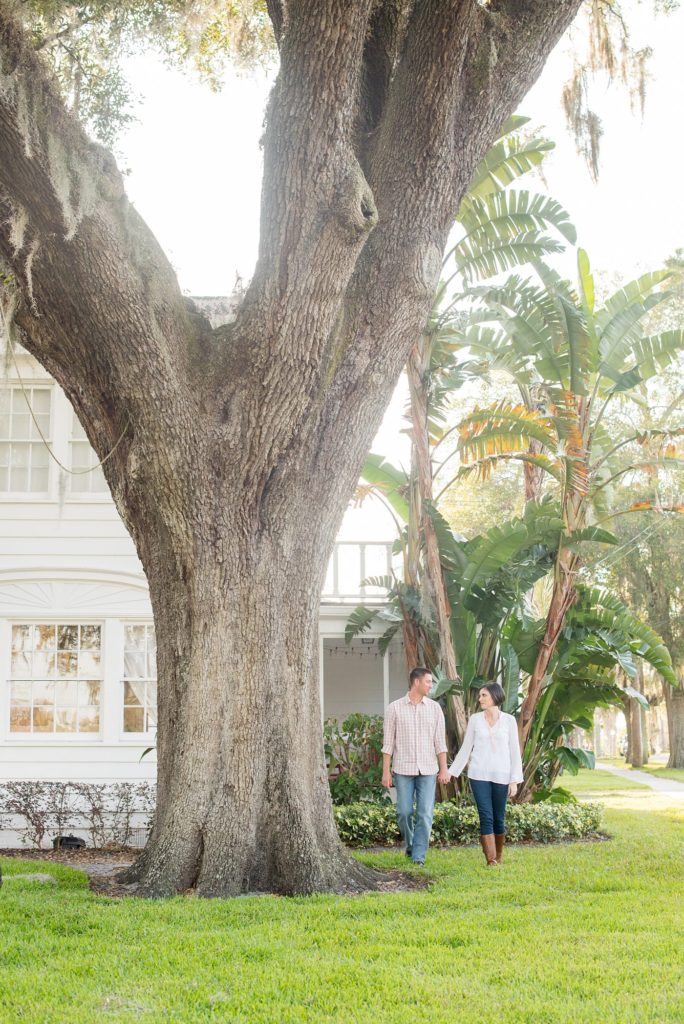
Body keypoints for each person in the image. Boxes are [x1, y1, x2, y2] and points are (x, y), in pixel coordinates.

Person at [448, 682, 523, 866]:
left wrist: (514, 780)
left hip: (502, 775)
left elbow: (515, 751)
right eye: (480, 695)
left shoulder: (509, 720)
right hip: (478, 774)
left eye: (484, 695)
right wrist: (451, 772)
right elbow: (466, 748)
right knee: (485, 815)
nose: (479, 698)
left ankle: (498, 856)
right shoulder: (475, 719)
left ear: (495, 697)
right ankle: (491, 860)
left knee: (499, 817)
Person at [381, 667, 450, 865]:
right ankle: (411, 844)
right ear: (416, 682)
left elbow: (440, 743)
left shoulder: (435, 709)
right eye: (428, 681)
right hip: (403, 769)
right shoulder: (394, 708)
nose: (431, 685)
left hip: (428, 769)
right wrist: (386, 772)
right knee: (403, 812)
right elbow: (388, 744)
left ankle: (418, 856)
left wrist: (444, 769)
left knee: (425, 813)